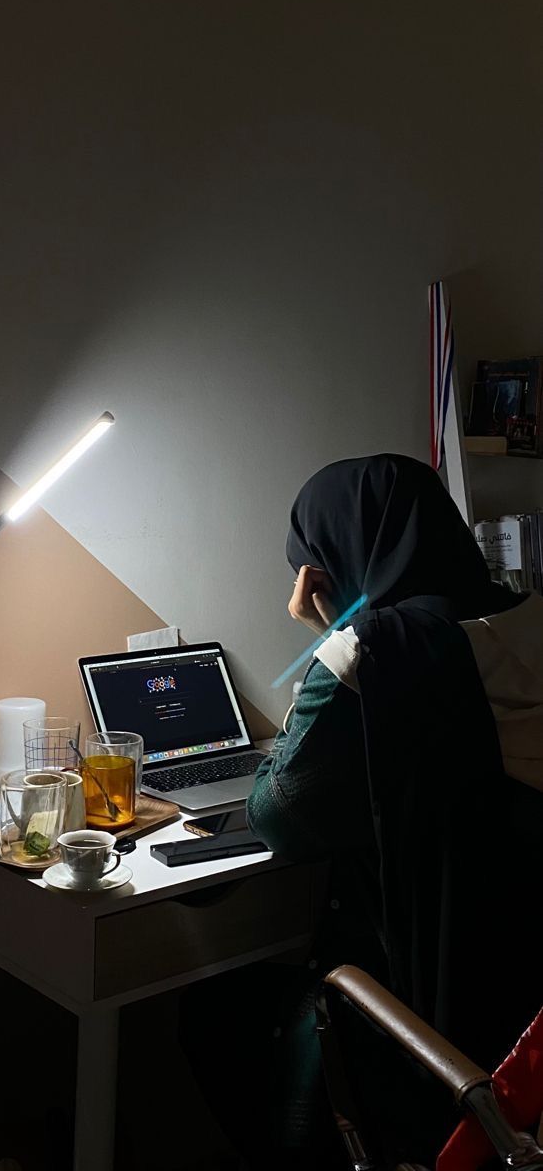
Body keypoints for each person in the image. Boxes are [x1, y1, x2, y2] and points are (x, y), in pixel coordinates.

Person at [181, 453, 543, 1169]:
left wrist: (331, 631)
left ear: (329, 566)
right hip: (524, 1003)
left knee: (216, 1011)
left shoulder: (372, 652)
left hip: (432, 1005)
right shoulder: (520, 627)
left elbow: (279, 812)